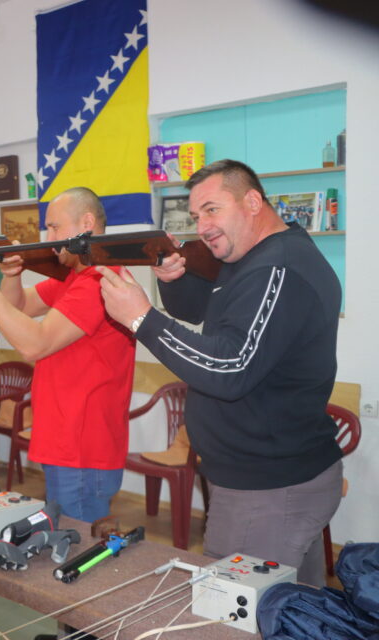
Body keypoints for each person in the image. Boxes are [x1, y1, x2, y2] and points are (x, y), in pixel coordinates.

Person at [96, 159, 343, 586]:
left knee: (230, 610)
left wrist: (141, 319)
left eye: (212, 209)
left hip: (267, 489)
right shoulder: (249, 258)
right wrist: (172, 279)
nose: (203, 226)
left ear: (253, 202)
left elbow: (230, 368)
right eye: (196, 215)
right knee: (292, 609)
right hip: (265, 480)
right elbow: (202, 311)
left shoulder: (278, 268)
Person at [0, 189, 135, 521]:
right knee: (63, 536)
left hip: (82, 445)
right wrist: (10, 276)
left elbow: (35, 344)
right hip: (65, 439)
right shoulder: (76, 275)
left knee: (75, 541)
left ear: (86, 223)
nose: (49, 238)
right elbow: (17, 308)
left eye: (55, 227)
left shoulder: (99, 279)